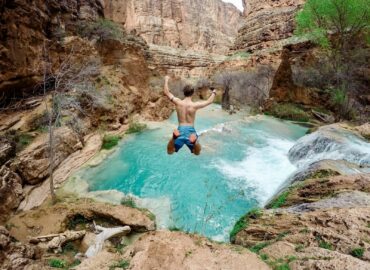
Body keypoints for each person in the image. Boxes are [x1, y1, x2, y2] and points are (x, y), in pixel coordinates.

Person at [164, 75, 216, 155]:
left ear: (184, 93)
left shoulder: (178, 102)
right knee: (197, 152)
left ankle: (174, 138)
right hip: (191, 130)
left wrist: (166, 80)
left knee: (170, 151)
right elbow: (209, 101)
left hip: (180, 129)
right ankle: (194, 142)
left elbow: (167, 92)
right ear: (192, 93)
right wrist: (214, 92)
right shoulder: (194, 105)